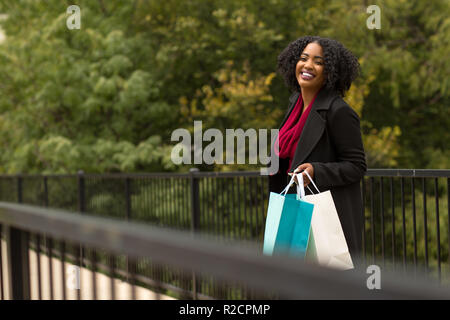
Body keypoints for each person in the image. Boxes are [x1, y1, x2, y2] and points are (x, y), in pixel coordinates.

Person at [268, 36, 367, 261]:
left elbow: (357, 166)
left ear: (330, 71)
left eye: (318, 62)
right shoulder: (295, 103)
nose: (308, 65)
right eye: (303, 58)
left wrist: (316, 170)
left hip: (322, 218)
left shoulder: (339, 112)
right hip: (291, 210)